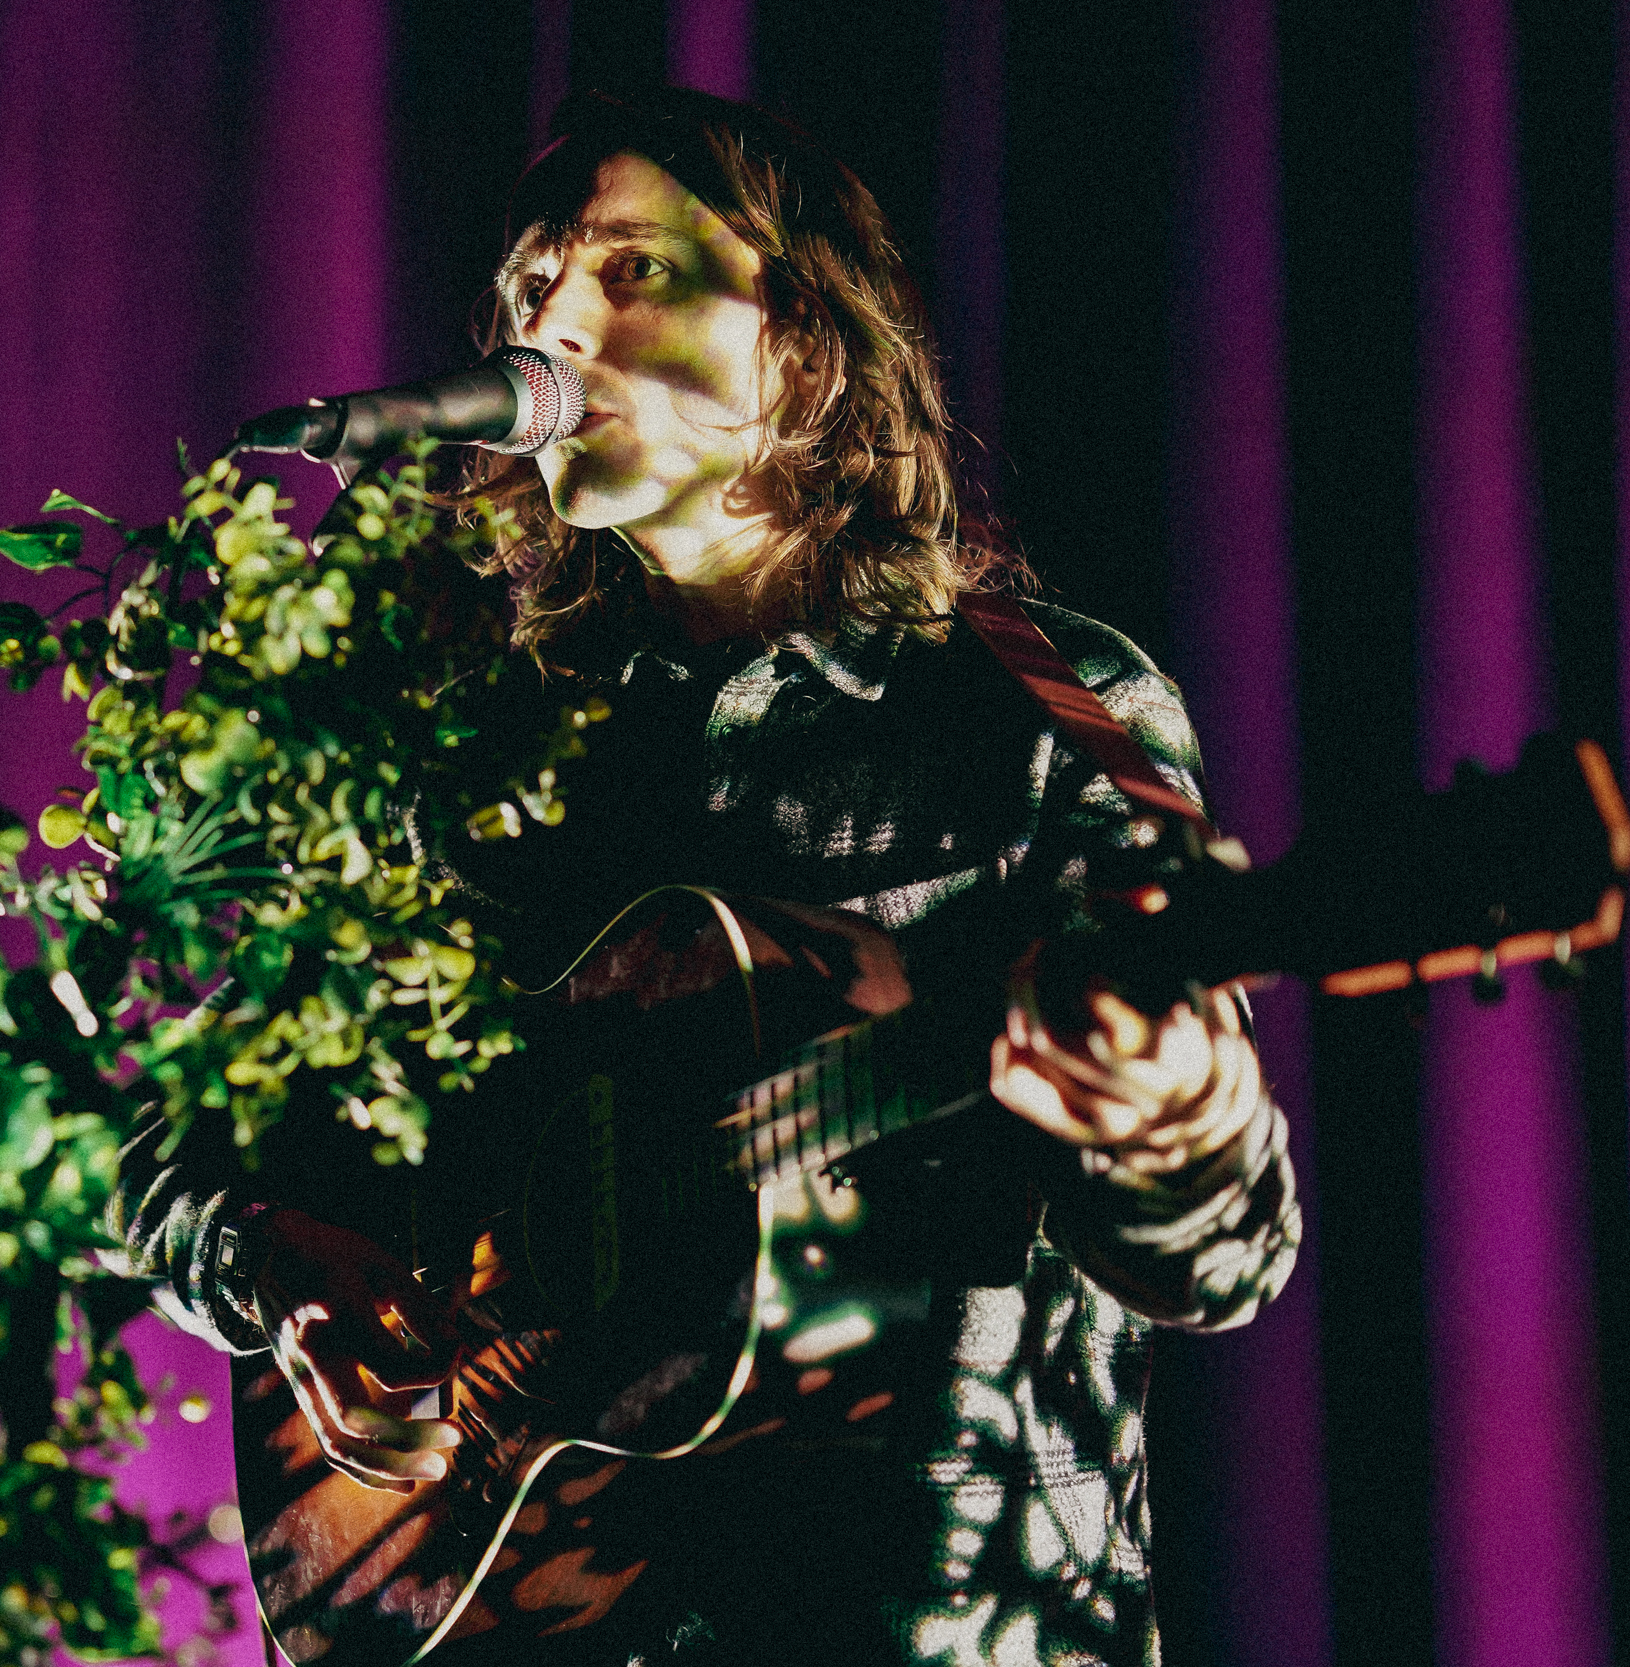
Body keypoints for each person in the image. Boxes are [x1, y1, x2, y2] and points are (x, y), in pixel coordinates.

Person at [115, 87, 1299, 1666]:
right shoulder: (458, 761)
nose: (557, 322)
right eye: (536, 287)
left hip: (938, 1619)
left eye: (631, 270)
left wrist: (1177, 1119)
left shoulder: (1046, 714)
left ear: (804, 336)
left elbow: (1226, 1263)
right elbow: (168, 1148)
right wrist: (281, 1273)